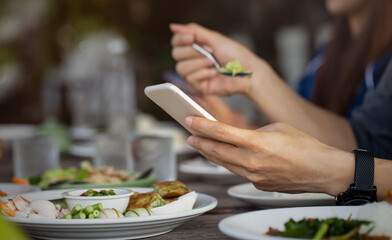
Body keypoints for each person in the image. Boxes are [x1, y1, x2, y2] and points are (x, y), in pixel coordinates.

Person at [169, 0, 392, 159]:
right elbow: (307, 135)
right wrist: (240, 126)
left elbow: (368, 147)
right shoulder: (325, 57)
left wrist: (254, 78)